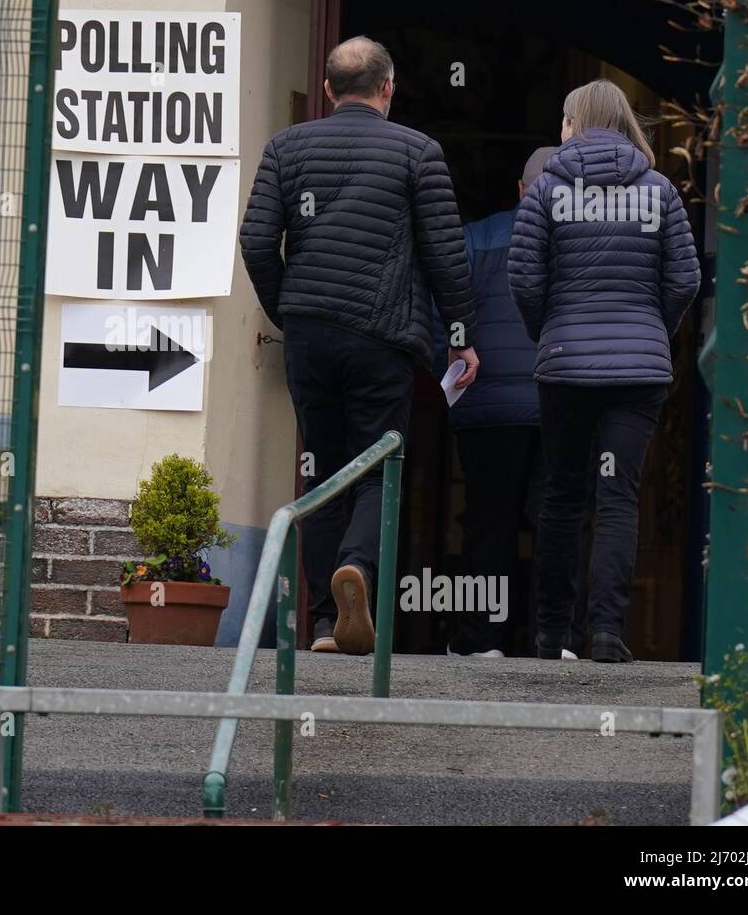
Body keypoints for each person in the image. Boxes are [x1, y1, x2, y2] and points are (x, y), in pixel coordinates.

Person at [239, 36, 479, 656]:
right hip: (382, 336)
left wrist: (289, 309)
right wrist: (460, 336)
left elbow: (258, 240)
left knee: (320, 468)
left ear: (327, 90)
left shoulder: (285, 147)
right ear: (388, 87)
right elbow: (445, 254)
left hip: (311, 335)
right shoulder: (417, 152)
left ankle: (322, 623)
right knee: (376, 467)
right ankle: (358, 572)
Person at [509, 79, 701, 663]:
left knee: (563, 497)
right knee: (618, 498)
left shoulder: (545, 189)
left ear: (573, 124)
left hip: (566, 369)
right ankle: (608, 634)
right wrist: (652, 332)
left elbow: (523, 277)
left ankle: (550, 634)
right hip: (638, 373)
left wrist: (549, 330)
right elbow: (686, 279)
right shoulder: (660, 190)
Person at [444, 147, 561, 659]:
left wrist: (446, 374)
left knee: (487, 522)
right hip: (559, 402)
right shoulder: (580, 243)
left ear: (520, 189)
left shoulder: (475, 238)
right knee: (555, 516)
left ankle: (480, 640)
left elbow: (443, 310)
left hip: (486, 403)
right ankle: (552, 639)